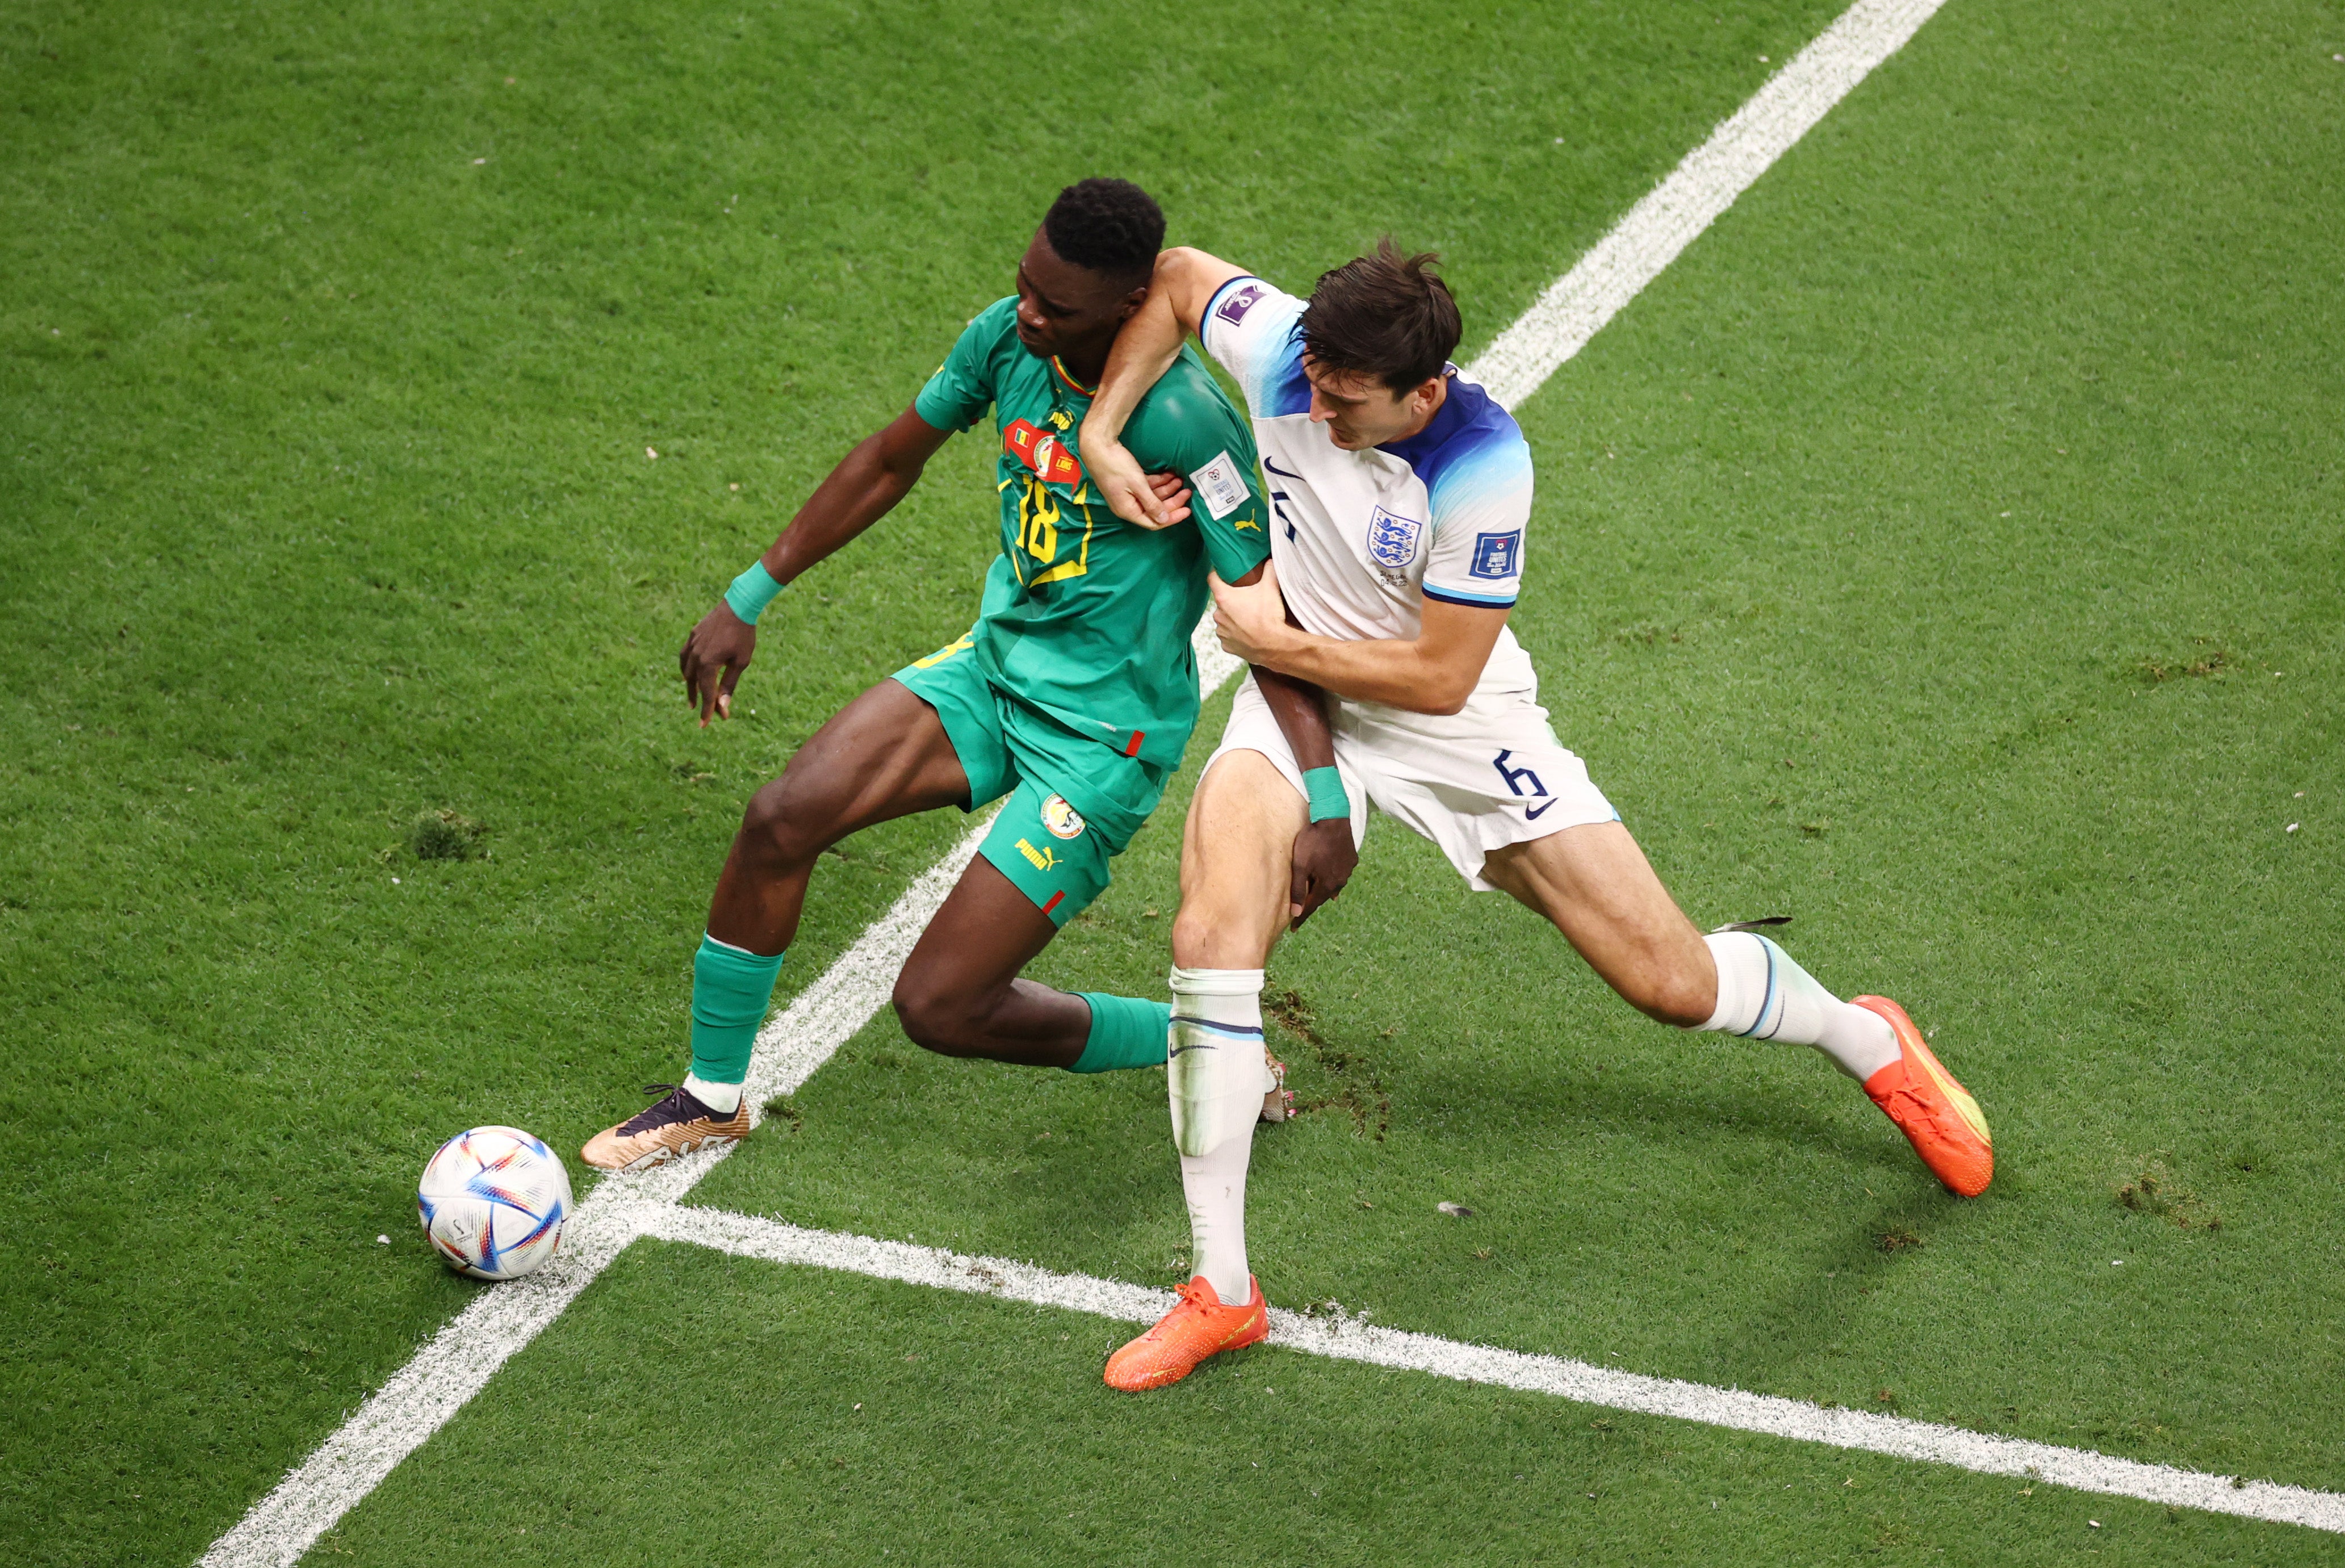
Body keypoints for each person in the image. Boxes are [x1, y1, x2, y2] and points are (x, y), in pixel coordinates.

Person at [1073, 240, 1994, 1390]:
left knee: (1669, 983)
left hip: (1447, 719)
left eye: (1343, 400)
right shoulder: (1287, 353)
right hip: (1304, 699)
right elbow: (1169, 273)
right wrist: (1103, 431)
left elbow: (1439, 677)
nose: (1311, 407)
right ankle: (1222, 1288)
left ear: (1422, 391)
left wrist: (1266, 642)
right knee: (1209, 939)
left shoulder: (1481, 467)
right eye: (1310, 381)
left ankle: (1868, 1038)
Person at [581, 181, 1356, 1172]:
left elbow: (1267, 619)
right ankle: (709, 1096)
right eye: (1024, 288)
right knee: (782, 815)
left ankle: (1201, 1041)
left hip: (1097, 741)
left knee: (940, 1005)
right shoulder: (1006, 341)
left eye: (1056, 306)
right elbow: (888, 460)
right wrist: (749, 595)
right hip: (991, 673)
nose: (1029, 314)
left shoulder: (1190, 422)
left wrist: (1324, 802)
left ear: (1128, 306)